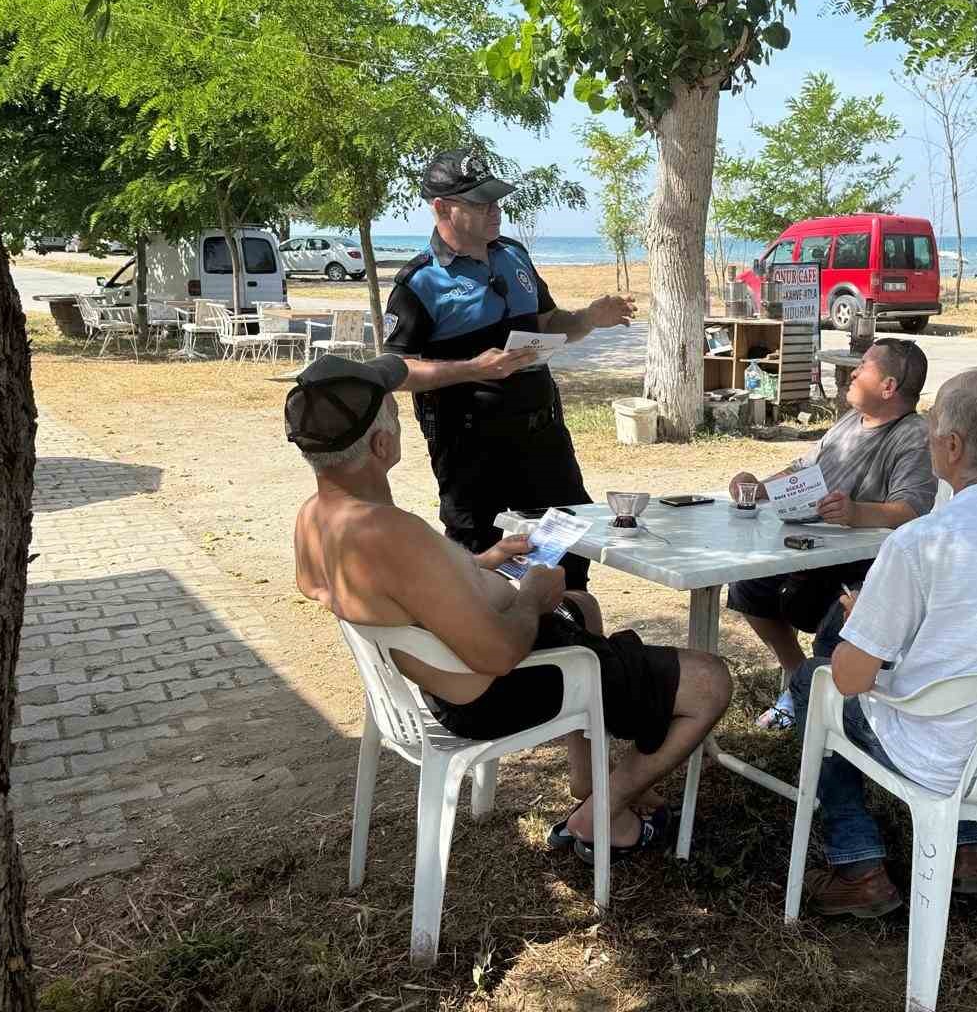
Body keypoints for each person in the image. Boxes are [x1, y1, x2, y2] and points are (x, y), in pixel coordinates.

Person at [287, 352, 731, 858]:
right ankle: (602, 815)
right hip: (491, 694)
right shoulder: (392, 533)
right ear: (383, 444)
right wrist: (529, 601)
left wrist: (477, 564)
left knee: (581, 605)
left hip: (440, 681)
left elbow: (396, 590)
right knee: (709, 681)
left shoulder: (315, 518)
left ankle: (589, 780)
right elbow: (498, 655)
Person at [786, 368, 977, 916]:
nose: (927, 437)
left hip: (936, 755)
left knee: (814, 681)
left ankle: (857, 865)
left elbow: (853, 677)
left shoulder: (920, 542)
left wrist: (872, 624)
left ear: (951, 447)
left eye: (931, 429)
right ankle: (964, 849)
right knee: (959, 688)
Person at [382, 148, 636, 591]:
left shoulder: (514, 256)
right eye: (480, 203)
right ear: (441, 208)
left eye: (497, 200)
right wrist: (471, 368)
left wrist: (589, 318)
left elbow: (549, 325)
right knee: (478, 556)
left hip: (543, 435)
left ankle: (569, 636)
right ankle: (486, 649)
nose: (495, 211)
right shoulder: (418, 283)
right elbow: (397, 370)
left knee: (569, 547)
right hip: (470, 446)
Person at [725, 338, 937, 728]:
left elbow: (912, 510)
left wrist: (857, 512)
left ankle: (824, 713)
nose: (853, 373)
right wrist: (757, 489)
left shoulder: (914, 436)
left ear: (888, 387)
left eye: (864, 368)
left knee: (833, 629)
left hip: (863, 569)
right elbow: (800, 472)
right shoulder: (849, 423)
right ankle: (797, 677)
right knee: (745, 586)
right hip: (812, 552)